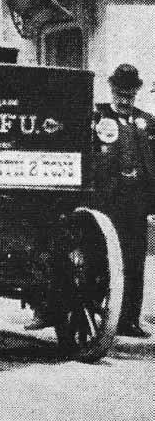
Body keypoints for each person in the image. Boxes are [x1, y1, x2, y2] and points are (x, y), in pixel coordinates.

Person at [92, 63, 155, 338]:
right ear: (112, 89)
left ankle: (129, 320)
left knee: (134, 261)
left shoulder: (147, 122)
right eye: (119, 90)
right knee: (99, 257)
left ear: (136, 91)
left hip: (137, 202)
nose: (124, 96)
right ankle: (100, 314)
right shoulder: (98, 117)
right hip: (107, 201)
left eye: (129, 91)